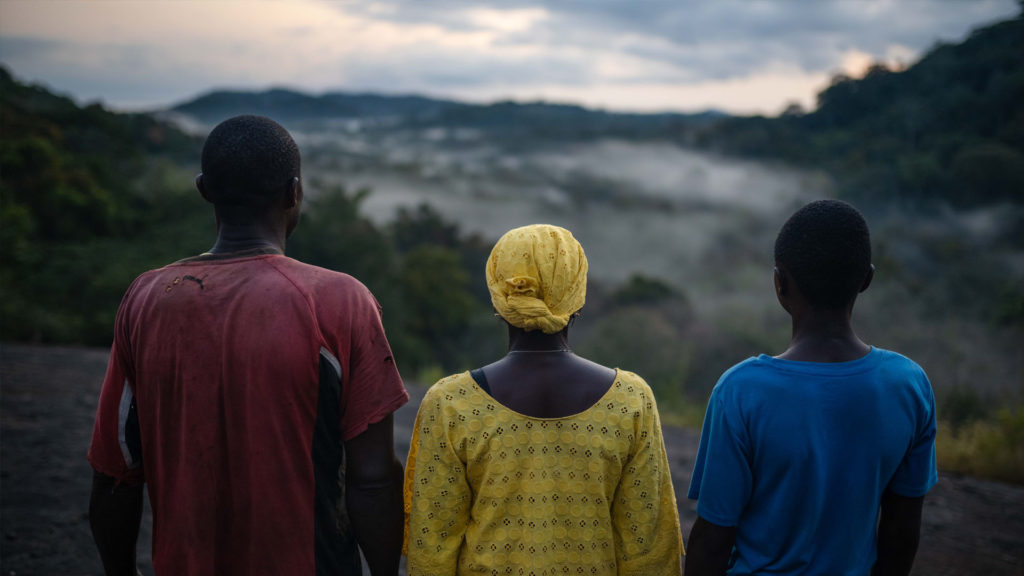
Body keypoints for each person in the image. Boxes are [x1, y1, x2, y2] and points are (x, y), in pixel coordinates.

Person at [87, 115, 409, 576]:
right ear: (293, 191)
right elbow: (373, 478)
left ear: (203, 189)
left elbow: (115, 470)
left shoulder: (146, 298)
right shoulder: (339, 301)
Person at [403, 224, 684, 575]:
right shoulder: (630, 400)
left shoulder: (451, 403)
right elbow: (649, 551)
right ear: (576, 296)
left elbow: (431, 550)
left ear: (499, 297)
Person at [685, 200, 938, 576]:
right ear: (866, 279)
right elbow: (902, 530)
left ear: (779, 283)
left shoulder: (740, 391)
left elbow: (713, 540)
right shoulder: (908, 384)